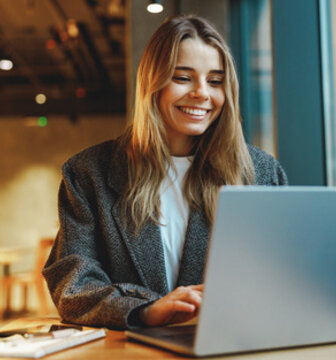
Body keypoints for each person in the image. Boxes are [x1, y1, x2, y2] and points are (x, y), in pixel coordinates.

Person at [42, 14, 288, 330]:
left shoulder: (263, 174)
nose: (202, 93)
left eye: (215, 81)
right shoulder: (89, 174)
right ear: (152, 83)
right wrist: (146, 309)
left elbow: (282, 277)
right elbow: (73, 285)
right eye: (183, 77)